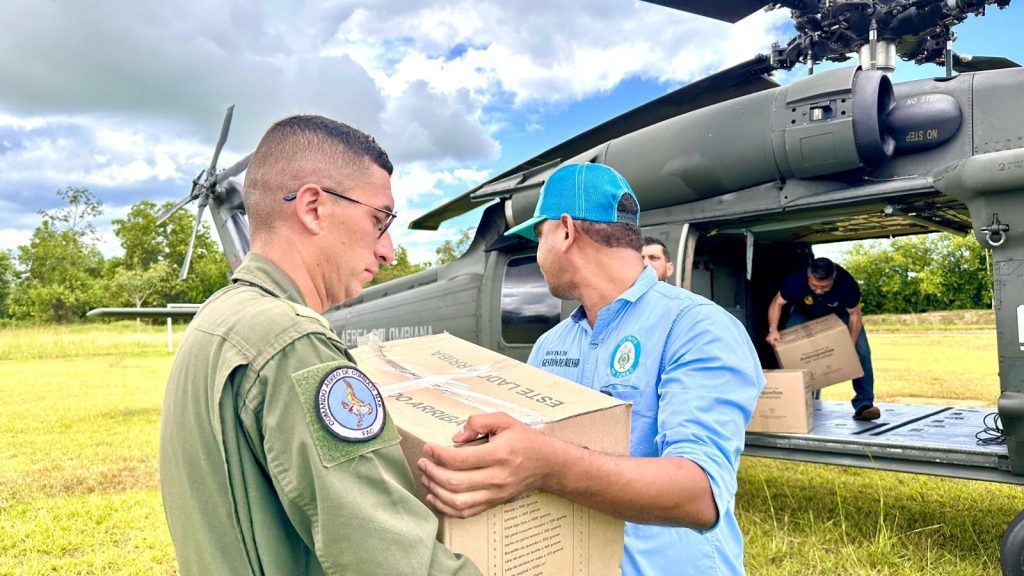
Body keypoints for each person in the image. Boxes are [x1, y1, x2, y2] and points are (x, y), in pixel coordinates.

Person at [160, 115, 479, 575]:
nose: (388, 249)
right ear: (313, 207)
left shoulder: (218, 321)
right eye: (379, 220)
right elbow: (391, 562)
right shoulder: (293, 344)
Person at [417, 163, 765, 576]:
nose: (537, 253)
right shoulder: (551, 345)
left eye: (538, 236)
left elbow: (701, 496)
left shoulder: (696, 327)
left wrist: (546, 464)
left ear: (565, 231)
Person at [765, 257, 879, 421]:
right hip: (804, 313)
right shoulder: (796, 279)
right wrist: (773, 329)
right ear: (808, 275)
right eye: (814, 285)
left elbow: (855, 316)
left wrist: (849, 346)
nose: (818, 290)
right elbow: (777, 303)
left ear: (833, 278)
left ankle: (864, 404)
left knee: (862, 352)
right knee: (789, 349)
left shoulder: (847, 285)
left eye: (824, 287)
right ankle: (796, 403)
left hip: (840, 315)